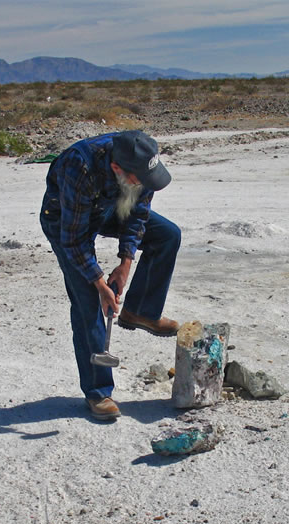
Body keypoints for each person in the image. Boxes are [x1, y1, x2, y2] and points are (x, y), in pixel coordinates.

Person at [40, 130, 181, 420]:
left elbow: (138, 215)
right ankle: (98, 391)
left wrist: (125, 262)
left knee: (167, 235)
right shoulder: (79, 166)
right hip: (65, 220)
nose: (145, 184)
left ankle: (140, 311)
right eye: (139, 179)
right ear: (117, 169)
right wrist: (100, 282)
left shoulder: (141, 164)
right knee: (88, 302)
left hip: (108, 206)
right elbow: (74, 240)